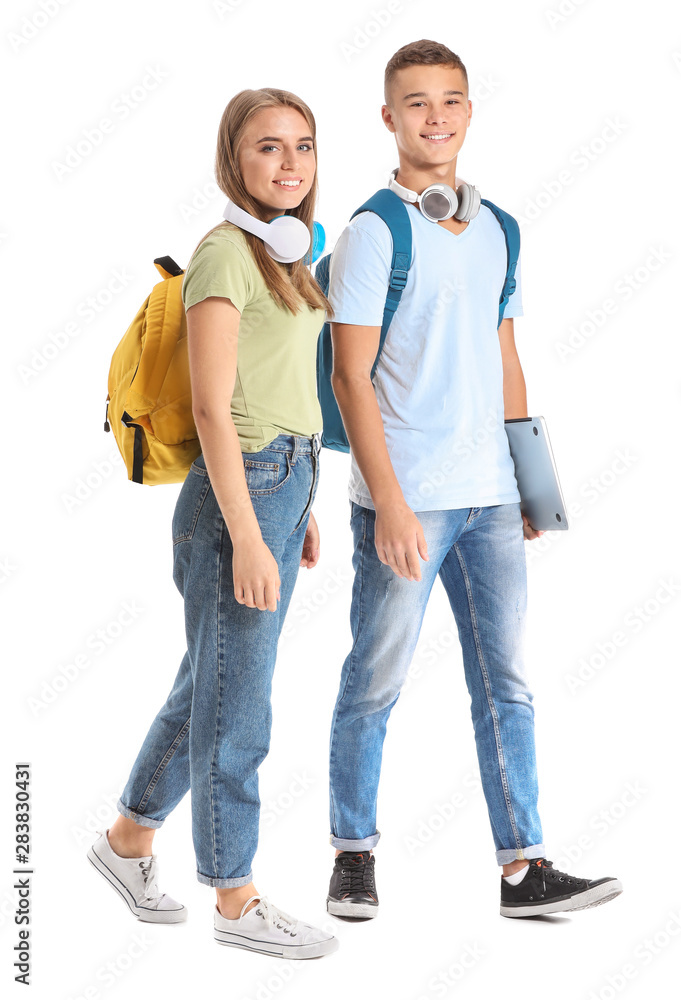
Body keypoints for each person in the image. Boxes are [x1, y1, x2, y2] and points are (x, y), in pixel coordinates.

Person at [324, 39, 623, 920]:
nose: (436, 116)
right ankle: (351, 853)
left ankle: (524, 869)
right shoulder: (373, 229)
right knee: (375, 678)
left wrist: (529, 481)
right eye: (416, 102)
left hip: (491, 494)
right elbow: (349, 376)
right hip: (406, 496)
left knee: (508, 682)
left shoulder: (501, 228)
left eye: (450, 99)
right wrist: (385, 502)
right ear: (388, 118)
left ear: (468, 110)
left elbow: (505, 355)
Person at [87, 87, 338, 959]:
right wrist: (247, 526)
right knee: (240, 709)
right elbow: (210, 404)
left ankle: (126, 842)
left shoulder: (290, 259)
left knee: (211, 684)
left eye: (302, 147)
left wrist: (295, 511)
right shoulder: (225, 255)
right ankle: (235, 900)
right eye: (268, 148)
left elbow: (289, 387)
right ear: (234, 160)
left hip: (282, 482)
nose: (289, 164)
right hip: (239, 492)